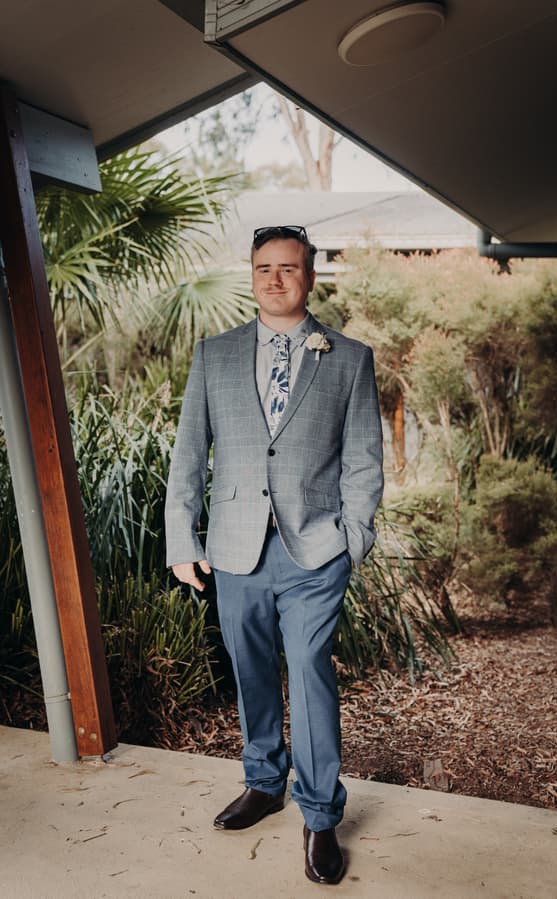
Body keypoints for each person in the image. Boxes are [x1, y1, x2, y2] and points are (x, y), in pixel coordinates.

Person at [165, 225, 383, 885]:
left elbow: (365, 460)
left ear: (310, 276)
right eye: (264, 267)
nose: (275, 279)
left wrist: (353, 539)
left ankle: (320, 814)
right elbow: (188, 451)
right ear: (252, 273)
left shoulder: (349, 357)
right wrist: (183, 538)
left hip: (316, 548)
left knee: (310, 668)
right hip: (235, 546)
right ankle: (264, 780)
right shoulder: (214, 354)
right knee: (250, 666)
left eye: (289, 268)